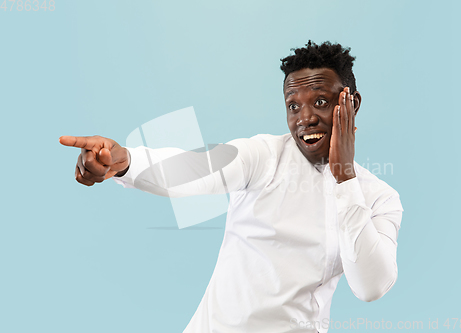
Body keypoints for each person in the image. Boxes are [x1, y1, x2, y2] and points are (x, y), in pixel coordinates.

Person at [59, 41, 404, 333]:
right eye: (293, 106)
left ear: (351, 103)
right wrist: (126, 161)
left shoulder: (379, 198)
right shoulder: (263, 155)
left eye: (321, 102)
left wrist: (344, 176)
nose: (305, 118)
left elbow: (370, 285)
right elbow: (194, 168)